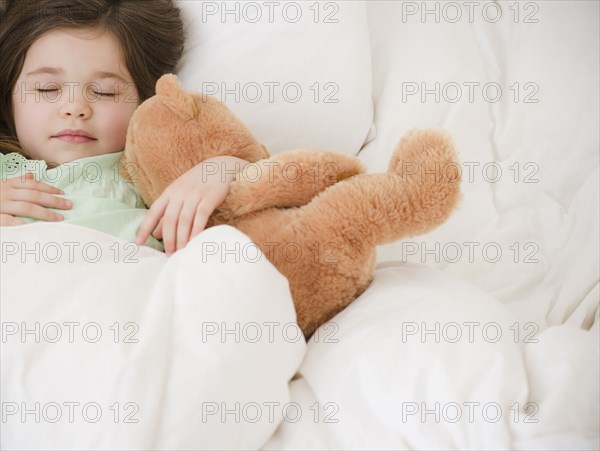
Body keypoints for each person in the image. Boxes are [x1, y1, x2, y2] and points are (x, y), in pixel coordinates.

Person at [0, 0, 248, 255]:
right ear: (9, 97)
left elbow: (269, 188)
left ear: (144, 100)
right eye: (47, 88)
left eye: (104, 92)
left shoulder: (148, 170)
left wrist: (224, 168)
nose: (74, 107)